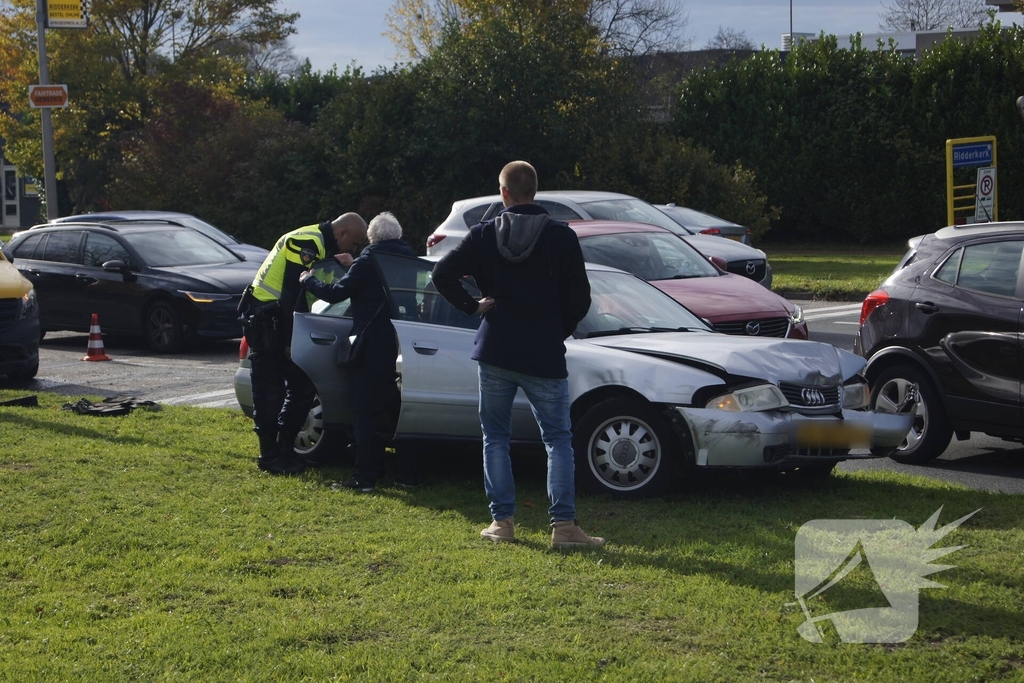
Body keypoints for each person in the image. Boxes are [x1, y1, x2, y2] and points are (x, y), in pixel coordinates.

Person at [431, 160, 606, 549]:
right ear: (535, 191)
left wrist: (473, 306)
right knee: (558, 439)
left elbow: (441, 273)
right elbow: (581, 298)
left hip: (496, 347)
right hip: (543, 352)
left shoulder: (482, 234)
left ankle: (502, 523)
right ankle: (564, 528)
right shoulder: (561, 236)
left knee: (495, 436)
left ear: (503, 193)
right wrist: (554, 329)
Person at [239, 212, 368, 475]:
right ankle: (269, 457)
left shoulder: (323, 248)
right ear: (341, 234)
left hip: (281, 319)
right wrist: (290, 340)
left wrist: (346, 263)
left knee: (303, 388)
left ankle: (286, 452)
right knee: (269, 390)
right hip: (268, 317)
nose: (354, 248)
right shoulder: (306, 242)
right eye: (353, 243)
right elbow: (291, 294)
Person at [299, 211, 417, 492]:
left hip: (369, 341)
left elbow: (335, 294)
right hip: (395, 340)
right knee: (393, 407)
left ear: (371, 237)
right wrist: (354, 265)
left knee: (364, 411)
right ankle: (408, 473)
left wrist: (307, 280)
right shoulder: (406, 259)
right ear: (397, 235)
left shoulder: (368, 261)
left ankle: (364, 477)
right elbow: (382, 286)